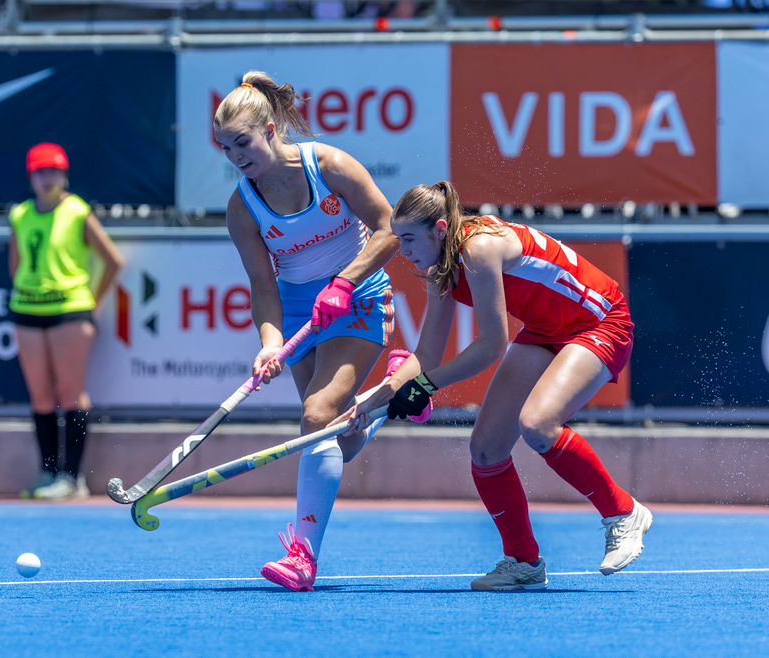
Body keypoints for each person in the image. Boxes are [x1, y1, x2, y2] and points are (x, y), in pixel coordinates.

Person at [338, 181, 652, 591]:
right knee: (486, 449)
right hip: (546, 329)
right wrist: (370, 401)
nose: (403, 250)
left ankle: (623, 512)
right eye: (399, 239)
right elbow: (425, 356)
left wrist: (425, 387)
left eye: (409, 238)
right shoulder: (439, 272)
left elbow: (491, 345)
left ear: (439, 229)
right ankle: (523, 564)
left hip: (600, 321)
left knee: (537, 424)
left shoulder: (478, 249)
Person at [213, 71, 399, 592]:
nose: (235, 156)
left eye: (242, 142)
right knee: (335, 436)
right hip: (298, 313)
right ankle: (393, 395)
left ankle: (303, 556)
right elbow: (262, 285)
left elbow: (389, 228)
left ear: (270, 129)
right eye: (225, 147)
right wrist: (270, 343)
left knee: (317, 416)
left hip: (359, 298)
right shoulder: (241, 207)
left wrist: (345, 281)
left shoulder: (330, 165)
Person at [9, 142, 124, 500]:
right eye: (40, 172)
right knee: (41, 396)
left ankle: (72, 477)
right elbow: (15, 263)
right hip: (27, 309)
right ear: (30, 176)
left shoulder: (76, 211)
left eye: (54, 171)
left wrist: (91, 303)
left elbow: (112, 260)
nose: (47, 178)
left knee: (71, 394)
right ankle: (48, 473)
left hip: (69, 311)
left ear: (64, 175)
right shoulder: (20, 214)